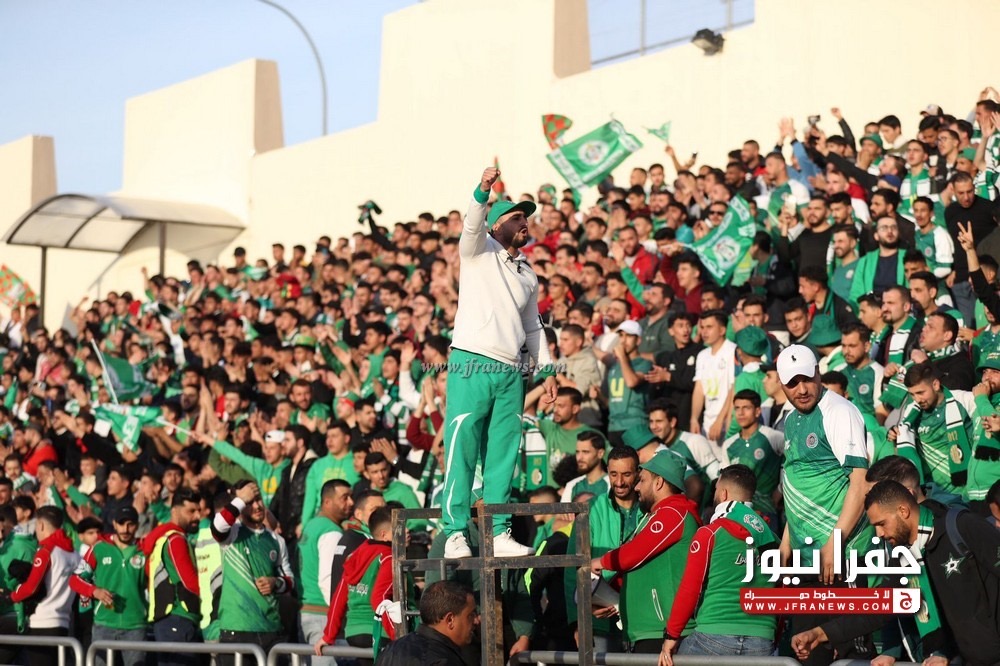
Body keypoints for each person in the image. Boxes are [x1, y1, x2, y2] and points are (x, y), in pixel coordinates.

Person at [441, 166, 557, 559]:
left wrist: (548, 369)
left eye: (527, 217)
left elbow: (533, 326)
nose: (525, 222)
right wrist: (482, 191)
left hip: (511, 371)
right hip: (472, 362)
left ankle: (499, 531)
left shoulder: (528, 272)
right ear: (495, 226)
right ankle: (455, 532)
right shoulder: (478, 251)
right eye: (516, 217)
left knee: (503, 454)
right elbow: (472, 224)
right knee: (462, 447)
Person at [792, 480, 1000, 666]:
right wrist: (820, 633)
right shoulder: (903, 556)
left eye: (881, 524)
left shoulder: (961, 526)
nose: (879, 533)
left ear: (903, 511)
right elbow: (879, 607)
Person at [776, 344, 875, 666]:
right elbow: (797, 485)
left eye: (807, 378)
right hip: (807, 560)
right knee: (807, 652)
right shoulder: (791, 420)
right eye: (792, 383)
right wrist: (785, 544)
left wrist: (835, 542)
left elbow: (860, 484)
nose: (802, 389)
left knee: (850, 655)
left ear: (818, 373)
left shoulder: (838, 411)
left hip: (842, 557)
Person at [660, 465, 778, 665]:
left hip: (712, 637)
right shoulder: (772, 538)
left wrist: (671, 636)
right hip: (762, 641)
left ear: (723, 494)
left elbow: (690, 588)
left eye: (715, 490)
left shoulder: (710, 534)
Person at [590, 450, 699, 654]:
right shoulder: (658, 514)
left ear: (659, 483)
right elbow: (638, 565)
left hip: (662, 630)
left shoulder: (673, 512)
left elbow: (633, 554)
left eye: (642, 480)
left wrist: (601, 562)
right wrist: (608, 598)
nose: (637, 487)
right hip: (650, 630)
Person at [564, 446, 642, 653]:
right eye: (614, 474)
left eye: (626, 474)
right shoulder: (590, 509)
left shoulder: (651, 508)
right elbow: (573, 567)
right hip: (599, 619)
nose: (619, 482)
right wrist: (579, 619)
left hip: (643, 617)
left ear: (638, 472)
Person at [211, 480, 294, 665]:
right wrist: (241, 499)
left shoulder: (276, 540)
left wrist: (275, 583)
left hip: (271, 629)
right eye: (249, 502)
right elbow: (217, 526)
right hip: (237, 628)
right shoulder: (232, 534)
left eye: (258, 500)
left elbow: (290, 580)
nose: (257, 506)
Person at [316, 506, 397, 666]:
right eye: (401, 528)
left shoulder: (355, 554)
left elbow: (338, 597)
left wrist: (328, 636)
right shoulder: (388, 557)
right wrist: (398, 635)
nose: (407, 532)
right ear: (384, 534)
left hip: (353, 632)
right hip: (379, 632)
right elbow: (379, 599)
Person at [1, 506, 80, 666]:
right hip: (64, 622)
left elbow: (32, 587)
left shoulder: (46, 552)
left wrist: (10, 596)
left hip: (42, 622)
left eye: (36, 525)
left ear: (41, 525)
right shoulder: (74, 554)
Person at [69, 506, 148, 666]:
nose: (125, 529)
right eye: (121, 523)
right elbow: (75, 580)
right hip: (104, 624)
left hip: (135, 625)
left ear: (138, 525)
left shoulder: (144, 550)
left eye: (130, 524)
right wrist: (94, 591)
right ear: (114, 524)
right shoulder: (99, 548)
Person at [299, 479, 355, 666]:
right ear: (327, 502)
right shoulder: (331, 533)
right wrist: (336, 618)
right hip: (323, 616)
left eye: (351, 497)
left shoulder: (311, 525)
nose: (351, 502)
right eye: (344, 498)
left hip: (308, 613)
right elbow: (328, 580)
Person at [145, 488, 203, 666]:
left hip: (167, 620)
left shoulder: (162, 538)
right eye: (191, 511)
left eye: (199, 510)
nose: (197, 516)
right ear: (175, 511)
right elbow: (190, 582)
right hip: (178, 618)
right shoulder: (176, 540)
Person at [374, 580, 479, 666]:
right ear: (450, 620)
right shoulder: (443, 661)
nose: (476, 621)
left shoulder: (391, 650)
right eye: (471, 615)